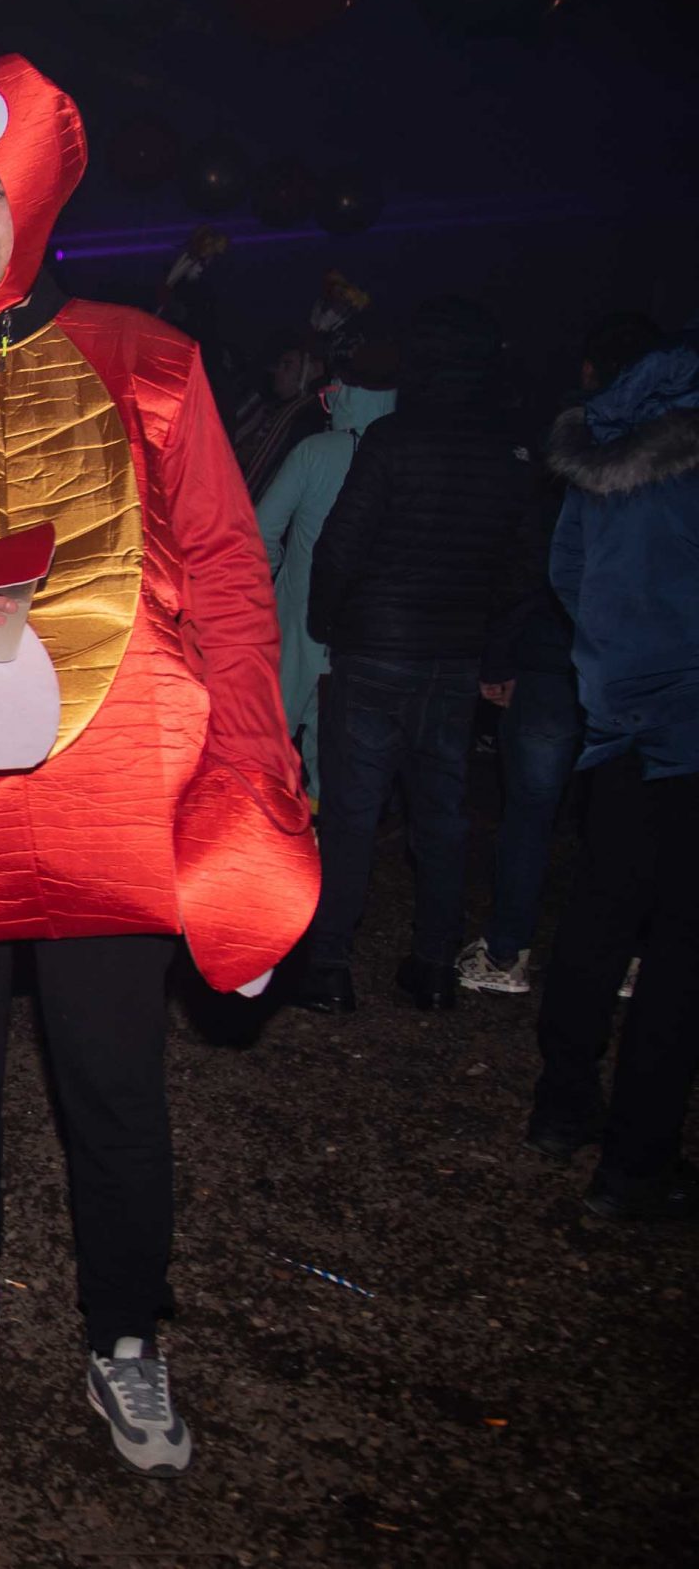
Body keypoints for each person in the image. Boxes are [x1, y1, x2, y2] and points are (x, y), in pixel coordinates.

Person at [0, 57, 316, 1476]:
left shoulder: (149, 357)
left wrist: (250, 764)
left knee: (111, 1079)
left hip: (111, 783)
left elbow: (229, 568)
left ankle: (126, 1335)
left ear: (31, 194)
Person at [296, 298, 537, 1013]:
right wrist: (493, 648)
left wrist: (329, 622)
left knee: (352, 811)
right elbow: (524, 564)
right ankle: (432, 966)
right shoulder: (509, 450)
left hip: (375, 648)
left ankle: (329, 969)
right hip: (453, 655)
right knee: (441, 813)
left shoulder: (392, 439)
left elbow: (341, 545)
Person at [528, 326, 698, 1218]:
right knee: (679, 952)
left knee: (598, 917)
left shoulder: (605, 450)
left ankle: (561, 1104)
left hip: (617, 717)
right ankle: (635, 1161)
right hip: (687, 727)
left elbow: (566, 572)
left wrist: (610, 653)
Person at [459, 313, 662, 997]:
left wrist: (500, 656)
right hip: (635, 665)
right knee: (627, 817)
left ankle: (509, 953)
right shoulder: (679, 450)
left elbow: (531, 561)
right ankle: (625, 959)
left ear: (590, 370)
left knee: (535, 810)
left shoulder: (571, 445)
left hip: (560, 656)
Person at [255, 338, 399, 802]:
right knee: (338, 752)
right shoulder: (407, 455)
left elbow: (261, 530)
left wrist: (275, 582)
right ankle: (326, 833)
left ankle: (265, 825)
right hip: (369, 627)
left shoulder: (316, 451)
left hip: (301, 614)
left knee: (271, 731)